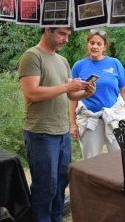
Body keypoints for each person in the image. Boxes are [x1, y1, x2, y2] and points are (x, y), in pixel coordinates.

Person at [17, 27, 95, 222]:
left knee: (61, 183)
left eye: (68, 35)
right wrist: (67, 86)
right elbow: (31, 93)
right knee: (45, 186)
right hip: (41, 133)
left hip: (62, 132)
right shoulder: (32, 56)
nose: (66, 39)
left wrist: (85, 92)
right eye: (62, 34)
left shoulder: (62, 61)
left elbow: (69, 94)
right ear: (47, 30)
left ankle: (56, 218)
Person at [69, 29, 125, 160]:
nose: (95, 46)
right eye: (92, 42)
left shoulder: (115, 63)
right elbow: (72, 97)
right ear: (87, 44)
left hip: (114, 118)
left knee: (120, 159)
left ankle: (118, 181)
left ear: (104, 47)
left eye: (99, 44)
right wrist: (72, 123)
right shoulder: (79, 66)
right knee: (91, 161)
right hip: (90, 120)